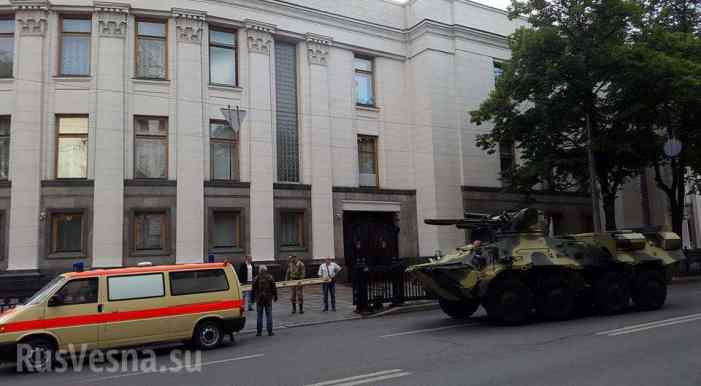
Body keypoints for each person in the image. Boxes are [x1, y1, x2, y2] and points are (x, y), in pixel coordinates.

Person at [251, 265, 277, 336]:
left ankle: (259, 332)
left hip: (259, 299)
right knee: (269, 315)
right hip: (268, 299)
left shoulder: (256, 278)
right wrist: (275, 296)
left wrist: (252, 299)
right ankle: (270, 332)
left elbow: (253, 290)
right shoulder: (270, 277)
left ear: (259, 270)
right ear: (266, 270)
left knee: (259, 315)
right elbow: (274, 288)